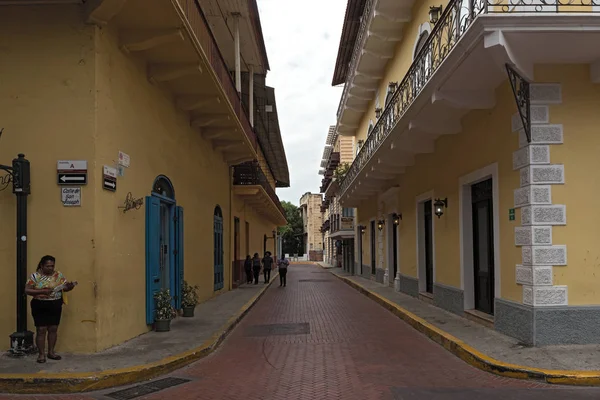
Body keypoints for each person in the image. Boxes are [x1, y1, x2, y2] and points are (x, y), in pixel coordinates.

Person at [25, 255, 76, 364]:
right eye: (48, 266)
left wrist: (70, 286)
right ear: (42, 265)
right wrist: (42, 292)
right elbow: (27, 290)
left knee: (53, 328)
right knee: (41, 330)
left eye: (52, 266)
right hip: (39, 304)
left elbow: (65, 288)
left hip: (55, 304)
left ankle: (51, 352)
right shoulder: (35, 276)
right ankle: (41, 354)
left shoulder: (58, 275)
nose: (50, 268)